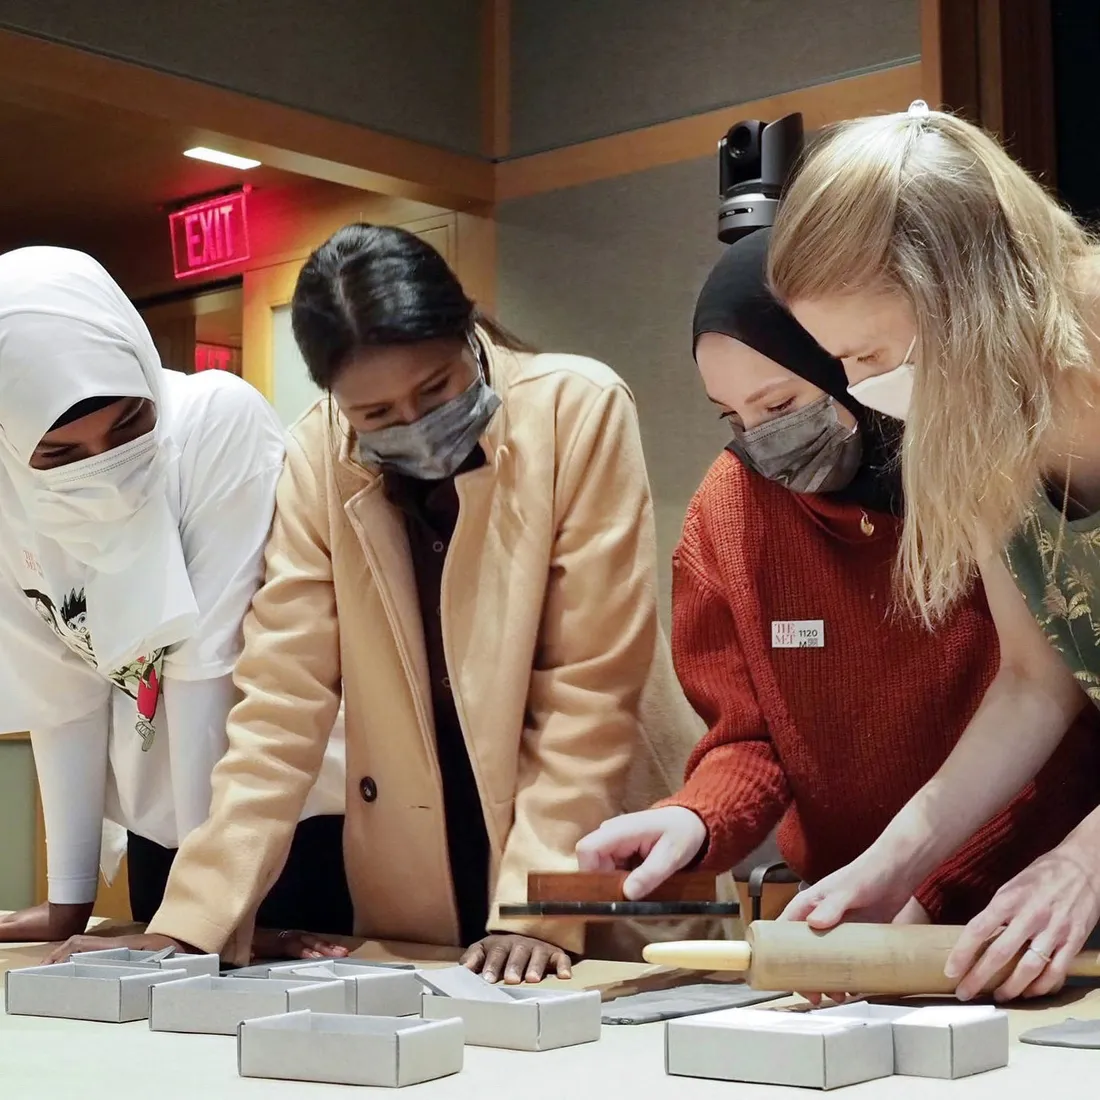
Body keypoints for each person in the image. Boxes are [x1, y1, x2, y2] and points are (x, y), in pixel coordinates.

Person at [49, 223, 700, 984]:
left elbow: (586, 692)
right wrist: (193, 921)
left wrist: (537, 907)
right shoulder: (314, 456)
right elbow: (281, 702)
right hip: (421, 842)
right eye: (376, 416)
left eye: (436, 391)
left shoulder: (576, 408)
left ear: (467, 331)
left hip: (583, 835)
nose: (415, 426)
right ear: (334, 400)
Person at [576, 229, 1100, 966]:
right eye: (732, 417)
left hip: (1026, 911)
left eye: (781, 403)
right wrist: (697, 818)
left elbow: (1053, 707)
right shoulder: (729, 511)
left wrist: (927, 889)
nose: (761, 441)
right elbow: (746, 735)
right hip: (864, 912)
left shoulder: (985, 476)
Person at [764, 100, 1100, 1000]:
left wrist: (1083, 863)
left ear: (964, 287)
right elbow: (1037, 681)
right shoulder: (987, 414)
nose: (866, 390)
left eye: (871, 353)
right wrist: (890, 867)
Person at [0, 247, 349, 953]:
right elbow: (59, 687)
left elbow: (208, 668)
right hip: (163, 828)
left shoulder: (213, 423)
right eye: (62, 455)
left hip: (290, 821)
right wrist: (69, 900)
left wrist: (207, 917)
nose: (104, 467)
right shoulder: (7, 492)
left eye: (129, 426)